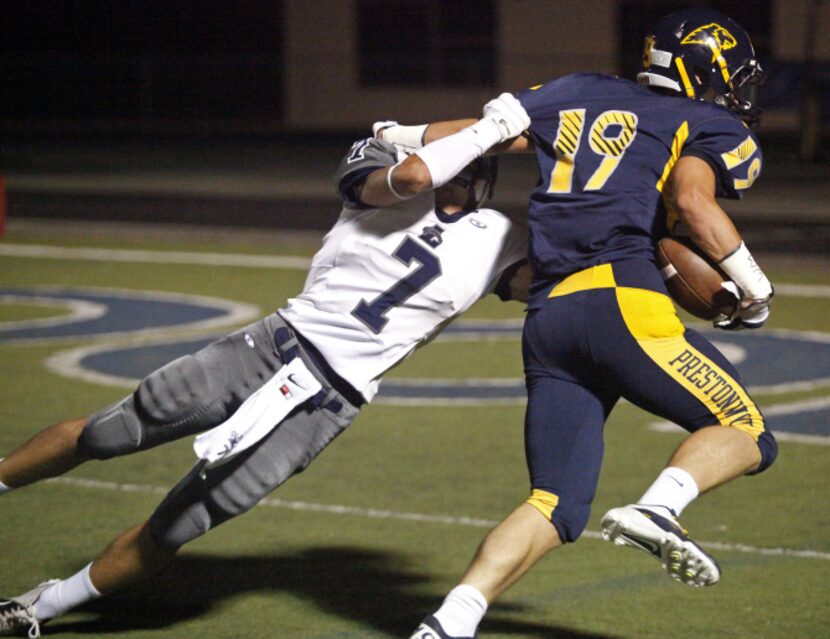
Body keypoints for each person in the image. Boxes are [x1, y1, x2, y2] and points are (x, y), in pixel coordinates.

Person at [0, 104, 532, 638]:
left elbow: (543, 285)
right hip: (268, 349)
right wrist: (494, 128)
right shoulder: (384, 163)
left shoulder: (502, 237)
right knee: (109, 432)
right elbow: (416, 175)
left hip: (326, 404)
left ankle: (39, 608)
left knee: (184, 522)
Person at [381, 9, 780, 638]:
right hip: (622, 302)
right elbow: (691, 201)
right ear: (710, 69)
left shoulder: (577, 90)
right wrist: (755, 291)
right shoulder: (705, 120)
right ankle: (661, 507)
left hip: (550, 317)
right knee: (744, 429)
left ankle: (448, 624)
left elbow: (475, 134)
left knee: (555, 504)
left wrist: (397, 134)